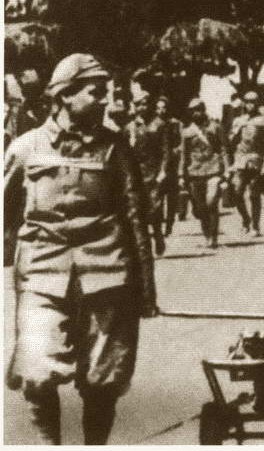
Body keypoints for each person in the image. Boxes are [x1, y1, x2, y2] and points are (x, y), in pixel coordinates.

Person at [4, 53, 157, 445]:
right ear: (66, 96)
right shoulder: (25, 148)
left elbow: (136, 218)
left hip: (108, 276)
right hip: (42, 277)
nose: (106, 101)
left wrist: (146, 287)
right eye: (96, 92)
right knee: (37, 374)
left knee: (103, 381)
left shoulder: (115, 149)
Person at [179, 98, 226, 248]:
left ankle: (214, 237)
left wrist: (227, 169)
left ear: (204, 109)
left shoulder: (215, 127)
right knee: (200, 208)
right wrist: (181, 174)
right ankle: (207, 235)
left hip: (213, 168)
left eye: (198, 109)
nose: (196, 113)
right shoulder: (187, 131)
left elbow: (223, 149)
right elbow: (184, 154)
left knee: (211, 202)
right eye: (193, 111)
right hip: (194, 171)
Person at [126, 93, 169, 256]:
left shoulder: (159, 124)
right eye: (138, 105)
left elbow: (165, 151)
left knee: (154, 208)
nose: (142, 107)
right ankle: (145, 245)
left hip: (154, 174)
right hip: (135, 175)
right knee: (138, 210)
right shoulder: (129, 127)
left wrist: (163, 171)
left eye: (144, 104)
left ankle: (158, 234)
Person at [227, 91, 264, 237]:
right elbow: (230, 143)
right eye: (247, 102)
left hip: (256, 160)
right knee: (236, 193)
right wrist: (235, 132)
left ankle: (255, 226)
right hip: (240, 160)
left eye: (253, 102)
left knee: (254, 194)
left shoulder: (263, 121)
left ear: (258, 103)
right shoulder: (238, 120)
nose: (250, 104)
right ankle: (246, 219)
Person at [156, 96, 182, 237]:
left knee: (172, 197)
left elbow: (182, 142)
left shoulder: (175, 123)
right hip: (158, 165)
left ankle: (169, 224)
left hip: (172, 165)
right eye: (158, 108)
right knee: (158, 197)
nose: (161, 111)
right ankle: (159, 225)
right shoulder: (154, 124)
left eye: (164, 107)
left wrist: (176, 150)